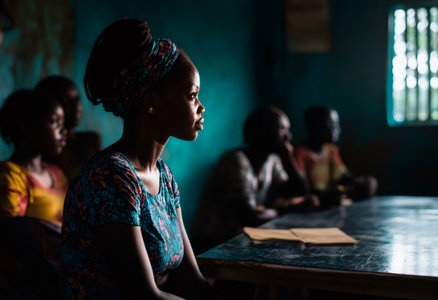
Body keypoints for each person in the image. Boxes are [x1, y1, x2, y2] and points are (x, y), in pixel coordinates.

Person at [60, 19, 216, 299]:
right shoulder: (109, 177)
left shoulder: (164, 177)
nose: (201, 106)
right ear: (150, 100)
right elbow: (144, 295)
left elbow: (191, 280)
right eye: (192, 95)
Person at [191, 106, 319, 254]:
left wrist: (288, 157)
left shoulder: (271, 160)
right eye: (282, 129)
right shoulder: (235, 160)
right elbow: (249, 217)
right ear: (263, 132)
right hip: (212, 245)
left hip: (239, 240)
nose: (288, 136)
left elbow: (297, 191)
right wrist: (289, 208)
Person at [0, 88, 68, 299]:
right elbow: (13, 236)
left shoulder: (57, 173)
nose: (63, 131)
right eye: (54, 123)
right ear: (25, 126)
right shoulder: (11, 175)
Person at [294, 105, 378, 207]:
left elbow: (343, 175)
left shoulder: (330, 150)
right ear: (315, 126)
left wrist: (363, 181)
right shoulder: (300, 153)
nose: (337, 129)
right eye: (331, 125)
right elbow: (303, 189)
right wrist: (328, 196)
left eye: (336, 125)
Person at [35, 75, 102, 183]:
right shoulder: (42, 150)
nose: (77, 107)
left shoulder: (90, 142)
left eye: (77, 99)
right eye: (67, 101)